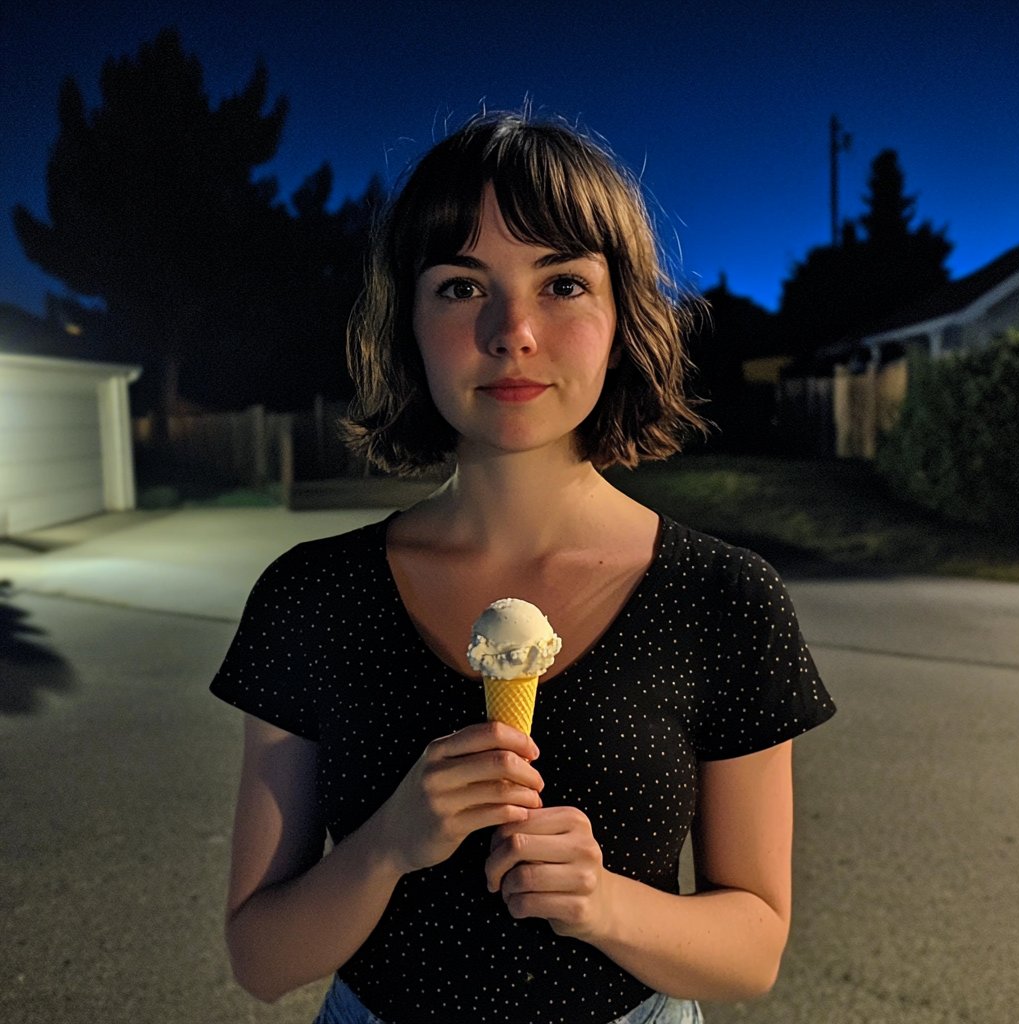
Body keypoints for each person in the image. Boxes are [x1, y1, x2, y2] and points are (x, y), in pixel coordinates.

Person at [210, 112, 836, 1024]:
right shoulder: (311, 597)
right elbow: (261, 959)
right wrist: (386, 844)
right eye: (462, 286)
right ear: (407, 322)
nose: (513, 332)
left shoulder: (724, 599)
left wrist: (603, 901)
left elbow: (753, 952)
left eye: (564, 284)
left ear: (622, 317)